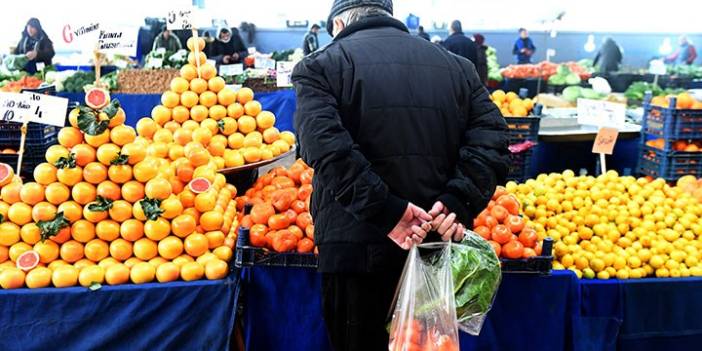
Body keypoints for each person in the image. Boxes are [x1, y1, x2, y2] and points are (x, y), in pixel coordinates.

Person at [292, 1, 510, 350]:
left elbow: (326, 149)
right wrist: (457, 202)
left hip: (354, 251)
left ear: (338, 23)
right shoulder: (458, 68)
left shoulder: (319, 67)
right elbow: (494, 138)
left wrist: (387, 212)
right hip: (435, 246)